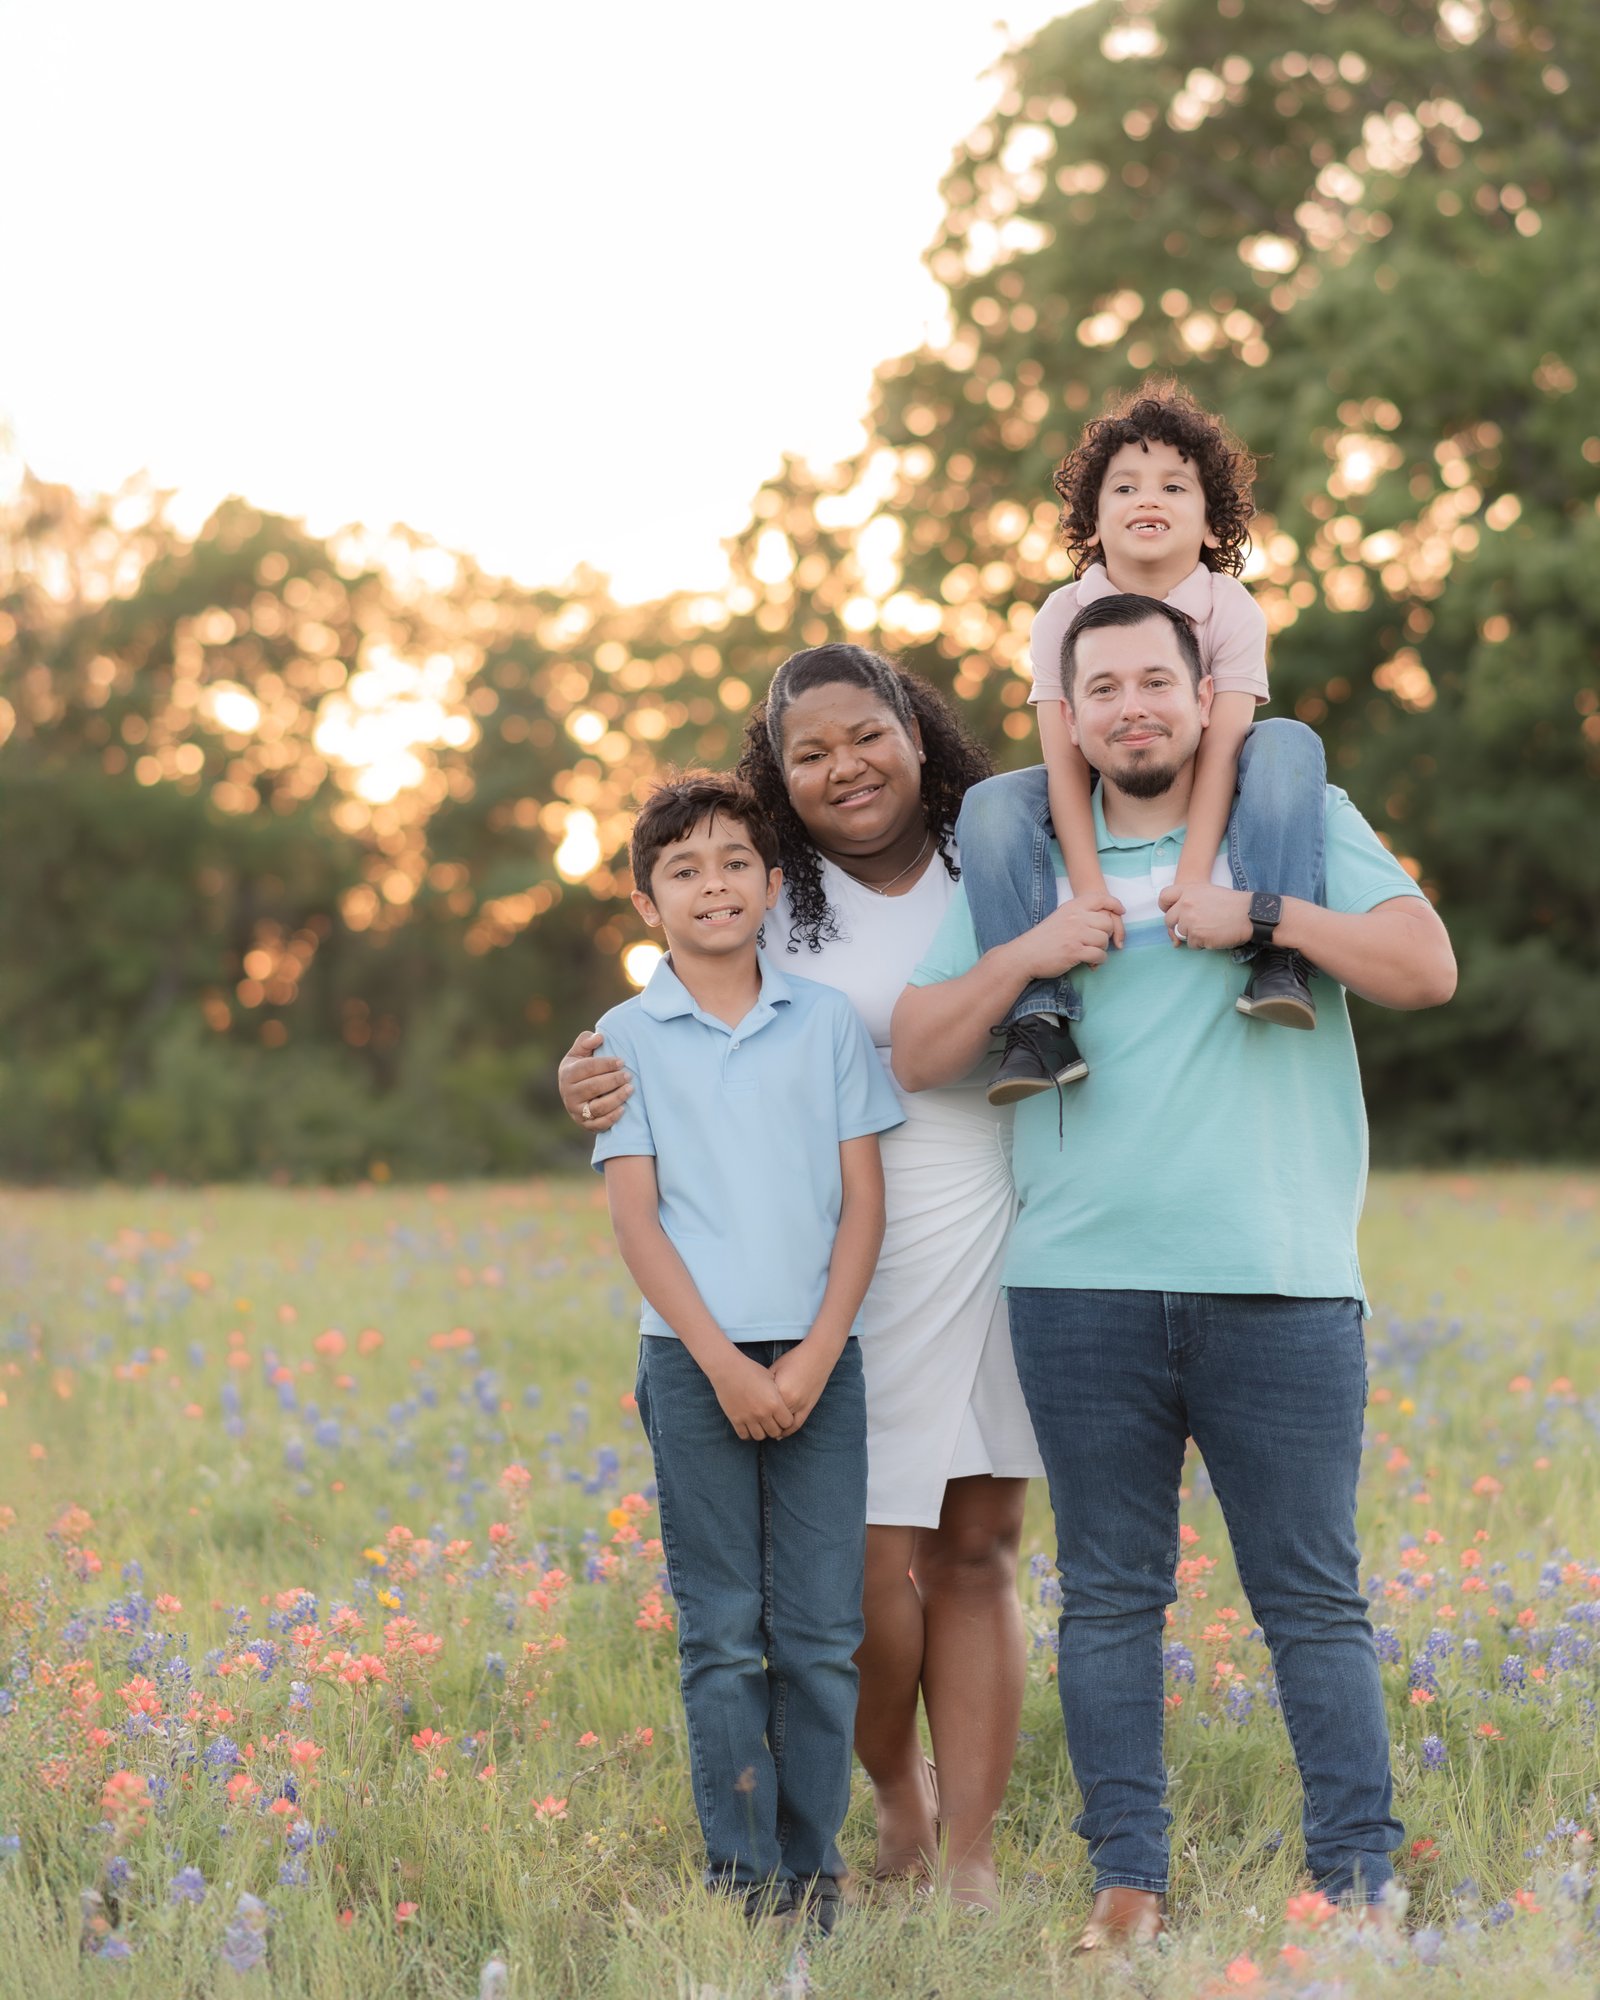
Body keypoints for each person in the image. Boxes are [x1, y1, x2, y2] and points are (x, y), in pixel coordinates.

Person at [893, 593, 1456, 1948]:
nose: (1134, 705)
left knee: (1313, 1601)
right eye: (1106, 689)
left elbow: (1425, 969)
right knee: (1108, 1602)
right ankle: (1127, 1887)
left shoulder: (1297, 824)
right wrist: (1033, 951)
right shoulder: (1025, 863)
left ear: (1209, 699)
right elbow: (918, 1049)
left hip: (1281, 1277)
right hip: (1079, 1287)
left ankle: (1360, 1889)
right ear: (1071, 718)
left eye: (1160, 680)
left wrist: (1260, 913)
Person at [561, 646, 1044, 1908]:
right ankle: (894, 1799)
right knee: (860, 1571)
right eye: (809, 751)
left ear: (915, 730)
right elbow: (678, 1005)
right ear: (776, 779)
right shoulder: (771, 891)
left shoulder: (989, 856)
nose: (846, 767)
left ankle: (974, 1854)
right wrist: (587, 1075)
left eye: (865, 734)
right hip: (842, 1236)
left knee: (980, 1539)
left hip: (1004, 1198)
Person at [590, 771, 904, 1931]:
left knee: (820, 1634)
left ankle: (812, 1868)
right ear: (645, 902)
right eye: (683, 868)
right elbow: (637, 1216)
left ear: (775, 884)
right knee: (722, 1632)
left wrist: (817, 1353)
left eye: (733, 862)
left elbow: (864, 1205)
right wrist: (723, 1361)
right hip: (691, 1358)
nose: (711, 883)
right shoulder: (623, 1037)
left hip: (823, 1353)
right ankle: (740, 1876)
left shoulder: (822, 1022)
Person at [957, 381, 1329, 1108]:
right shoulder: (1060, 614)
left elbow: (1225, 749)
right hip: (1105, 771)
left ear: (1214, 527)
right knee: (992, 805)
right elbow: (1063, 760)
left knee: (1288, 742)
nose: (1146, 497)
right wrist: (1090, 893)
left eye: (1173, 485)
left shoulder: (1231, 609)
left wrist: (1194, 880)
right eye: (1123, 486)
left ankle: (1277, 957)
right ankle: (1038, 1016)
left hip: (1203, 762)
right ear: (1093, 523)